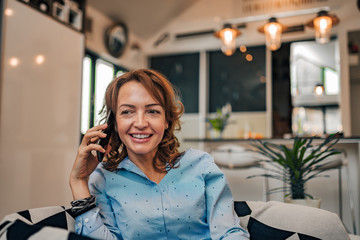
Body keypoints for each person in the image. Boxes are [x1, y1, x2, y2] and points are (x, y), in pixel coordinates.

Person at [69, 69, 250, 239]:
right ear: (114, 124)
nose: (140, 123)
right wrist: (79, 182)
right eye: (127, 112)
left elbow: (230, 232)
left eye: (152, 111)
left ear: (166, 120)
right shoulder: (102, 179)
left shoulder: (201, 165)